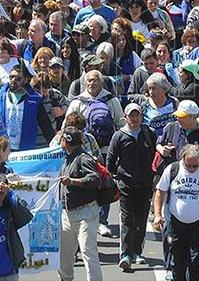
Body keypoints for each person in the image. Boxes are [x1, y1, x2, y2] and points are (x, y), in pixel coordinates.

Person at [153, 144, 199, 281]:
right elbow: (160, 193)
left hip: (198, 223)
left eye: (195, 166)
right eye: (188, 165)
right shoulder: (173, 169)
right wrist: (157, 215)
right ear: (182, 158)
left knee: (195, 262)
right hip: (176, 223)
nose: (191, 169)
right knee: (178, 263)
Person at [106, 102, 156, 271]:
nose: (134, 119)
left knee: (141, 219)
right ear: (125, 118)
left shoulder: (149, 133)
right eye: (131, 115)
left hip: (145, 184)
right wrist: (115, 179)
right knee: (127, 219)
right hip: (126, 184)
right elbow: (110, 161)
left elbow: (154, 157)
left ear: (141, 116)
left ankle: (137, 252)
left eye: (137, 115)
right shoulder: (119, 136)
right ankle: (125, 254)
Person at [58, 126, 103, 281]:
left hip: (85, 213)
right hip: (67, 213)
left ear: (67, 141)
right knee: (65, 254)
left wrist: (73, 181)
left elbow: (95, 179)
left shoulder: (84, 158)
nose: (60, 141)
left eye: (62, 138)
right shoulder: (66, 157)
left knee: (88, 252)